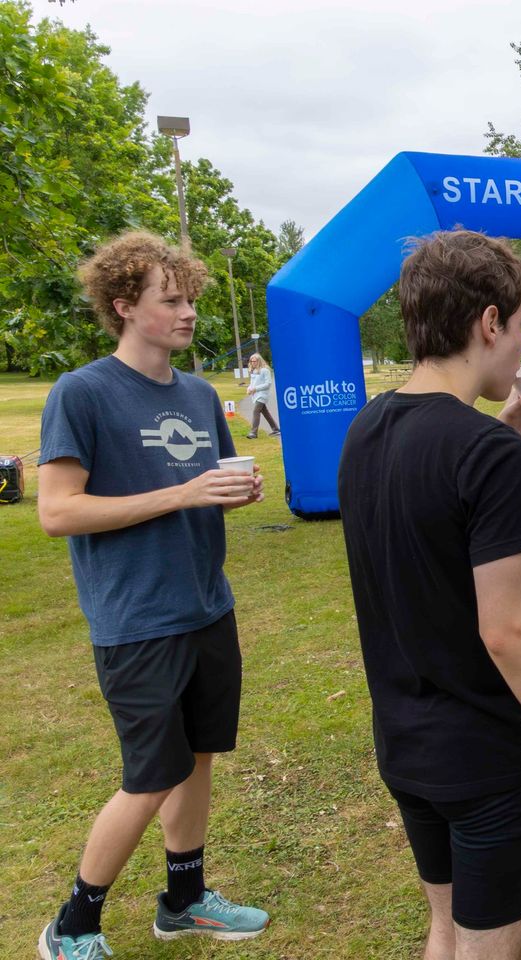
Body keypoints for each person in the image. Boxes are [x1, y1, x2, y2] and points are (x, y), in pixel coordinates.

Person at [338, 229, 521, 960]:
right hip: (483, 759)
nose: (520, 350)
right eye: (518, 328)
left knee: (446, 931)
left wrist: (510, 430)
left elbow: (427, 518)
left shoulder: (366, 428)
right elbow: (507, 631)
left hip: (405, 746)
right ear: (488, 323)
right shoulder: (485, 455)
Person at [36, 231, 269, 960]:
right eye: (171, 300)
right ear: (124, 305)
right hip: (137, 619)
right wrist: (184, 492)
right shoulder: (83, 392)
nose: (189, 311)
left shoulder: (199, 394)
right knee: (150, 775)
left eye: (191, 296)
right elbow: (58, 511)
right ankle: (72, 924)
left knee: (197, 756)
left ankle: (185, 899)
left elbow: (199, 489)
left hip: (206, 605)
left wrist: (227, 494)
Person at [244, 353, 280, 438]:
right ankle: (276, 429)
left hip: (262, 395)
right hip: (255, 395)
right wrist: (249, 388)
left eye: (254, 361)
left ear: (259, 361)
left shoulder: (265, 370)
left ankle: (253, 433)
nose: (253, 362)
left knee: (256, 411)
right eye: (251, 361)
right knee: (265, 412)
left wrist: (255, 388)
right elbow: (252, 383)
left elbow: (268, 384)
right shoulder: (253, 371)